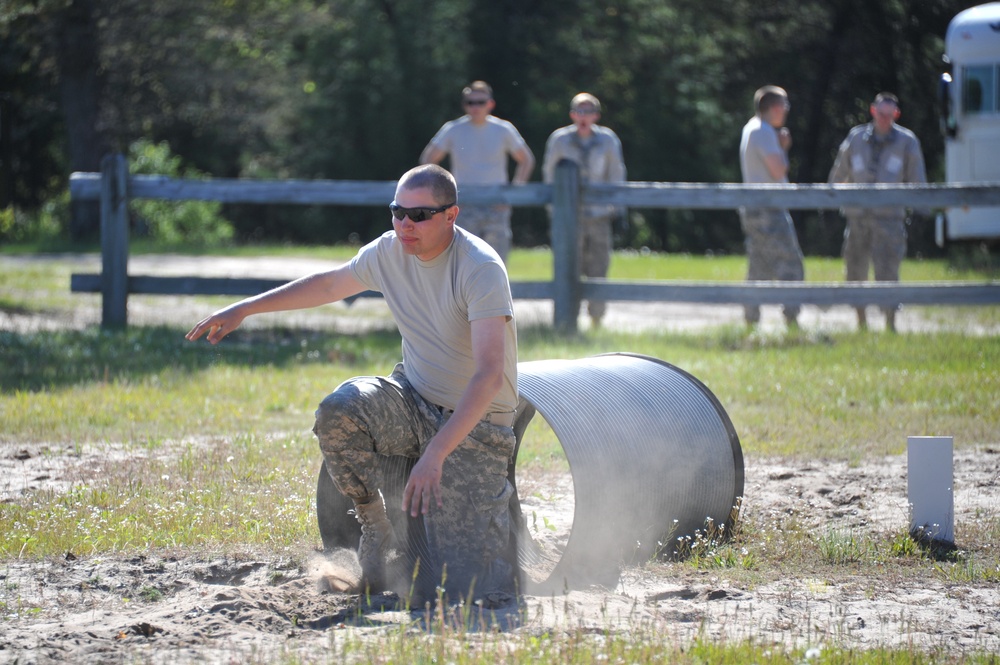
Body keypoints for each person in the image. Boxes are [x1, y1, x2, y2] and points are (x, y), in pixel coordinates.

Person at [186, 164, 519, 605]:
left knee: (469, 586)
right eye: (397, 212)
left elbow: (489, 373)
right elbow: (329, 284)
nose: (405, 225)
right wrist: (246, 308)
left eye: (419, 215)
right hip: (413, 400)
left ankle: (501, 520)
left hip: (476, 425)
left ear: (451, 215)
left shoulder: (480, 268)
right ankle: (375, 525)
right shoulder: (389, 251)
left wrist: (436, 452)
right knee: (339, 410)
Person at [828, 92, 928, 332]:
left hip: (889, 219)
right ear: (873, 111)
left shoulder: (907, 141)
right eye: (881, 114)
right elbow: (837, 176)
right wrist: (834, 200)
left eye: (890, 115)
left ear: (896, 114)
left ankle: (890, 324)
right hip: (858, 219)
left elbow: (918, 181)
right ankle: (861, 323)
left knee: (889, 270)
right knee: (855, 268)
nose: (885, 119)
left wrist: (922, 211)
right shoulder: (856, 138)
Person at [420, 80, 535, 263]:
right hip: (463, 203)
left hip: (497, 203)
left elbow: (526, 160)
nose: (475, 107)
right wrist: (445, 195)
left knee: (497, 260)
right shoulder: (453, 129)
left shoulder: (503, 129)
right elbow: (428, 160)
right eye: (470, 102)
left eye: (480, 102)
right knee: (462, 259)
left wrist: (512, 195)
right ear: (464, 105)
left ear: (490, 104)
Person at [542, 92, 627, 328]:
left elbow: (616, 175)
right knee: (569, 265)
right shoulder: (560, 140)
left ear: (596, 115)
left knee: (599, 266)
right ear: (572, 115)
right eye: (579, 111)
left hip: (599, 216)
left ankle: (597, 319)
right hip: (569, 219)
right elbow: (549, 175)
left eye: (588, 111)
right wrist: (554, 212)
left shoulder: (608, 140)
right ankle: (568, 320)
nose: (583, 116)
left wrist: (619, 209)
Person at [738, 85, 805, 328]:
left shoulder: (751, 127)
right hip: (769, 209)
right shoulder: (764, 131)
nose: (786, 110)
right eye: (785, 105)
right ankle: (792, 321)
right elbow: (778, 170)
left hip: (755, 208)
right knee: (791, 263)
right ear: (775, 107)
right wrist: (784, 149)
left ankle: (751, 321)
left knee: (759, 264)